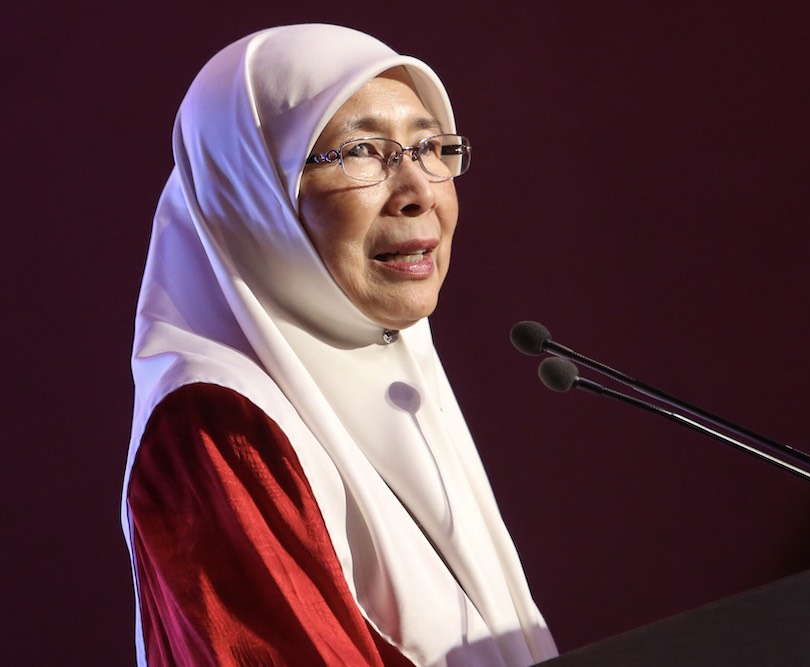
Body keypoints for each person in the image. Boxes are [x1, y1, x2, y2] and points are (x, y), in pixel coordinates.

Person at [121, 24, 558, 666]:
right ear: (250, 192)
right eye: (361, 153)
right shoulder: (215, 423)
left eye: (432, 146)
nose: (418, 194)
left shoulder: (396, 361)